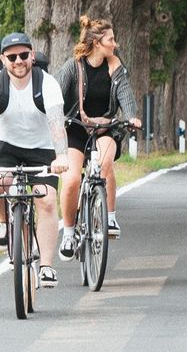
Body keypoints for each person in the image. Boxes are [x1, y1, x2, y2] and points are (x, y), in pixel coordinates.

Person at [0, 32, 70, 288]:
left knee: (45, 199)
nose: (18, 61)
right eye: (12, 57)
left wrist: (61, 155)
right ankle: (5, 223)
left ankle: (46, 266)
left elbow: (57, 124)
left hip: (42, 147)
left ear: (32, 56)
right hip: (6, 146)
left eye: (24, 55)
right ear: (3, 59)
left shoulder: (47, 84)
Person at [54, 16, 142, 260]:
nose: (115, 44)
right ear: (96, 42)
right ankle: (69, 233)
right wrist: (52, 120)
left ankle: (109, 218)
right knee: (71, 179)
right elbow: (56, 98)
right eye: (111, 40)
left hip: (105, 128)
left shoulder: (116, 66)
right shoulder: (73, 67)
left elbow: (125, 94)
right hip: (76, 127)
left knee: (104, 164)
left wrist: (132, 116)